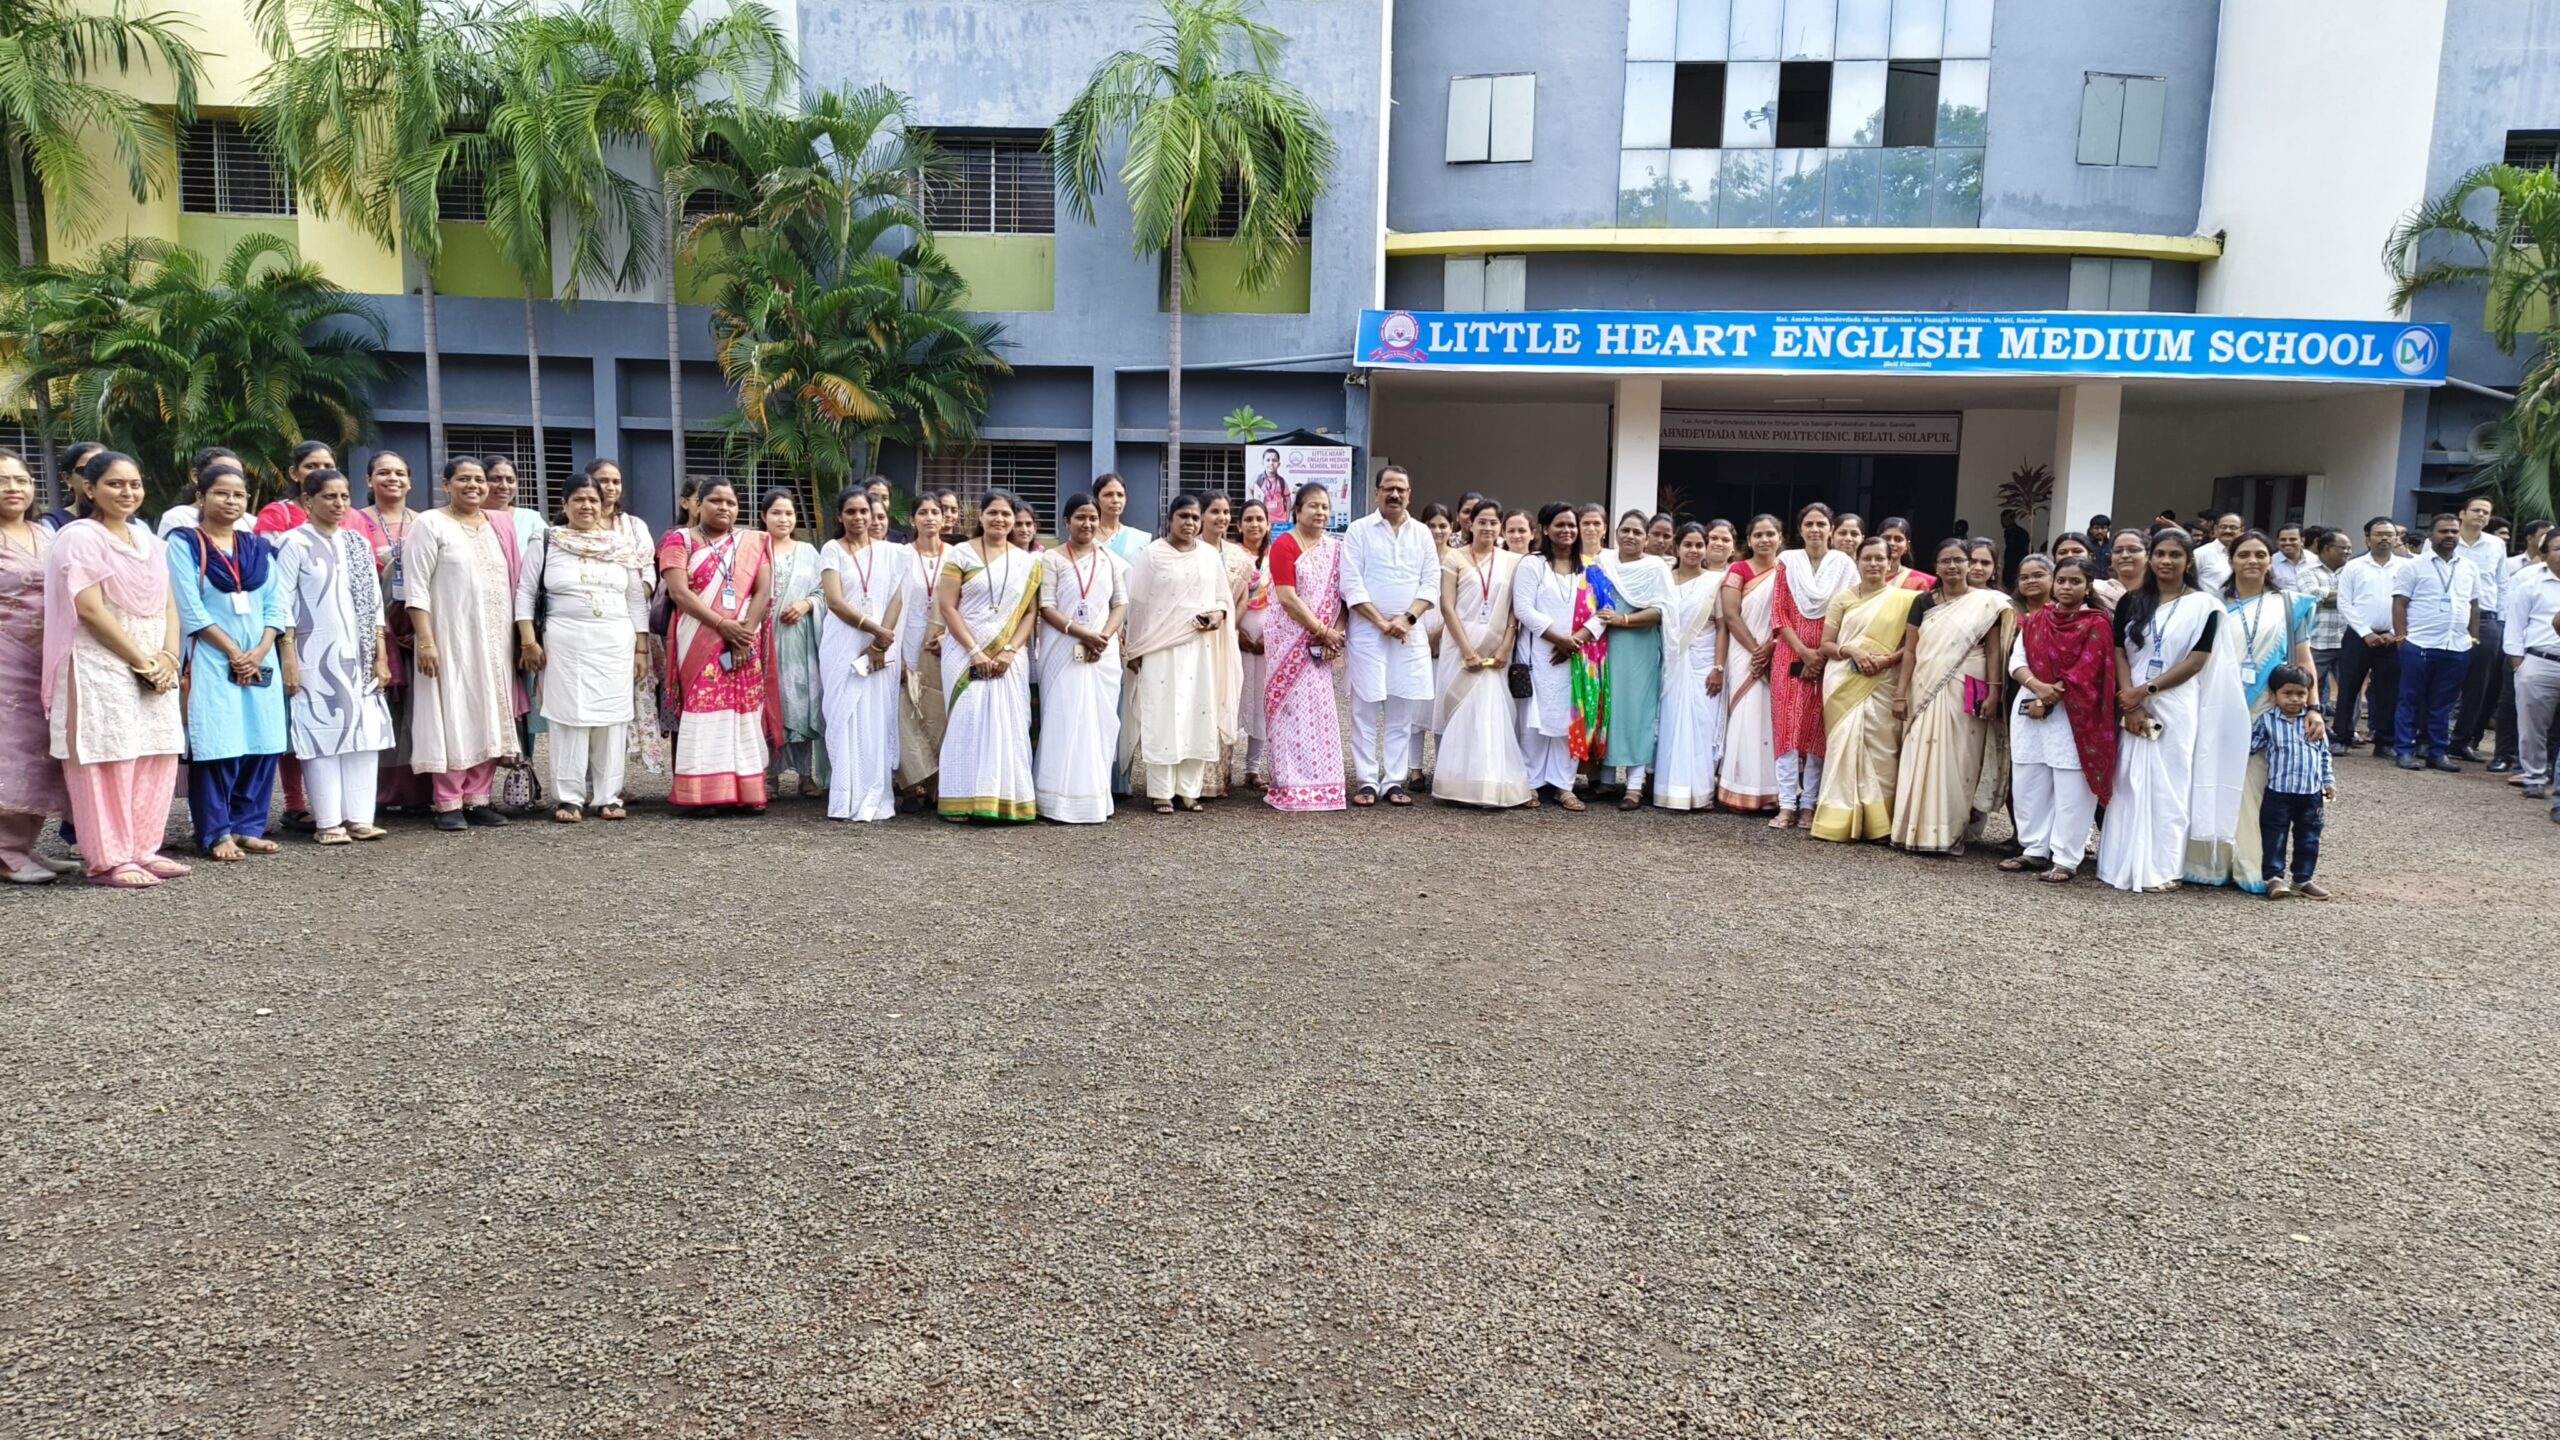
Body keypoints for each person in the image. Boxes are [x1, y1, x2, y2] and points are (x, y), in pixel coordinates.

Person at [42, 450, 188, 886]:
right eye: (115, 484)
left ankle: (144, 849)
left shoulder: (150, 541)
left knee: (154, 751)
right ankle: (109, 859)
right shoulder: (79, 538)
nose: (128, 492)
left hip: (154, 662)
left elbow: (169, 605)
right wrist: (140, 661)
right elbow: (89, 609)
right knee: (107, 756)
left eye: (134, 484)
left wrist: (168, 657)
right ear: (89, 488)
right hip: (99, 663)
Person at [2096, 529, 2249, 893]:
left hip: (2176, 702)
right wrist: (2130, 700)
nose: (2166, 561)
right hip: (2131, 700)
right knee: (2128, 781)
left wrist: (2146, 690)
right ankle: (2119, 863)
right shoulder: (2133, 601)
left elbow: (2196, 660)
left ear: (2188, 561)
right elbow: (2118, 652)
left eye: (2175, 555)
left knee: (2170, 784)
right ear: (2150, 558)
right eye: (2160, 554)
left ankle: (2162, 868)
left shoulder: (2205, 606)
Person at [2184, 531, 2320, 892]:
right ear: (2231, 560)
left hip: (2267, 711)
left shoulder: (2289, 605)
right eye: (2244, 554)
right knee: (2211, 777)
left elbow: (2304, 660)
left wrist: (2314, 707)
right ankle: (2209, 864)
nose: (2252, 561)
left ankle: (2252, 867)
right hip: (2218, 707)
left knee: (2254, 789)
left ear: (2270, 561)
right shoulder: (2211, 605)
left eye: (2261, 554)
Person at [166, 466, 291, 860]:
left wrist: (261, 649)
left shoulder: (257, 548)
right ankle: (216, 832)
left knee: (262, 742)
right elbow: (189, 607)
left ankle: (247, 827)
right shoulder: (184, 543)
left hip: (260, 657)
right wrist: (234, 652)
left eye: (239, 494)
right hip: (210, 656)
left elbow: (275, 604)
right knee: (218, 744)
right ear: (200, 496)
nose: (231, 501)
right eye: (221, 493)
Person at [272, 466, 395, 844]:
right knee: (321, 734)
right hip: (313, 655)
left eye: (344, 496)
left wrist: (380, 657)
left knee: (364, 736)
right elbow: (281, 604)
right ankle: (328, 822)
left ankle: (360, 817)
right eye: (329, 496)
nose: (338, 503)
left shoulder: (357, 543)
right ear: (308, 500)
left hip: (360, 655)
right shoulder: (293, 542)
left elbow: (375, 606)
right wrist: (288, 659)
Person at [514, 475, 647, 823]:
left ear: (604, 505)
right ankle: (570, 798)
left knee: (613, 720)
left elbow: (636, 599)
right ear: (564, 504)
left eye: (593, 500)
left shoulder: (620, 546)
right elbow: (525, 593)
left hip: (615, 644)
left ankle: (608, 796)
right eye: (579, 499)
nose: (587, 506)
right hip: (564, 645)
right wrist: (528, 641)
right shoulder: (546, 541)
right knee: (568, 718)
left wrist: (642, 649)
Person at [406, 457, 525, 831]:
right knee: (452, 711)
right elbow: (415, 588)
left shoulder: (498, 525)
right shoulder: (430, 523)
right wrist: (426, 641)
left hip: (496, 641)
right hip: (449, 637)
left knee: (490, 710)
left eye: (479, 479)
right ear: (446, 485)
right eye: (463, 479)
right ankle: (448, 802)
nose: (474, 485)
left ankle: (478, 799)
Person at [658, 480, 778, 812]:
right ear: (698, 505)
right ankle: (702, 794)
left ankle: (745, 792)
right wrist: (722, 626)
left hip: (744, 638)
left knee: (743, 711)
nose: (724, 507)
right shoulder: (679, 540)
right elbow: (679, 592)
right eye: (715, 500)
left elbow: (763, 591)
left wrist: (744, 635)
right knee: (704, 710)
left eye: (731, 502)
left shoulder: (752, 542)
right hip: (699, 636)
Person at [1888, 539, 2011, 855]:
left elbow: (1994, 650)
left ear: (1970, 564)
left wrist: (1994, 691)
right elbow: (1911, 651)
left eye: (1959, 560)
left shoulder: (1987, 603)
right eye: (1945, 561)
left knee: (1961, 759)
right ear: (1936, 567)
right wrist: (1900, 694)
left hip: (1969, 686)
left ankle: (1949, 832)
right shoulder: (1923, 602)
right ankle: (1914, 830)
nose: (1953, 566)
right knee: (1919, 752)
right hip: (1924, 685)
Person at [2003, 555, 2115, 882]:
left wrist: (2050, 695)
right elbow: (2017, 662)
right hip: (2031, 707)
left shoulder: (2096, 623)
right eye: (2062, 581)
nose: (2067, 587)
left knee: (2071, 788)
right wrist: (2038, 688)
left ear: (2088, 587)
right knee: (2029, 780)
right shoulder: (2038, 619)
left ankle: (2066, 858)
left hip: (2075, 715)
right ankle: (2034, 849)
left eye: (2075, 582)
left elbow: (2088, 668)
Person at [1120, 493, 1231, 813]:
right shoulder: (1152, 555)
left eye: (1195, 517)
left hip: (1199, 647)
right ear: (1169, 520)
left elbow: (1222, 598)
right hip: (1159, 649)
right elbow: (1137, 605)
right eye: (1183, 516)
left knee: (1197, 714)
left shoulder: (1209, 555)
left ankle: (1189, 791)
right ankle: (1161, 792)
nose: (1190, 523)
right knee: (1162, 716)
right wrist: (1136, 649)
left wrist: (1218, 615)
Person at [1337, 464, 1439, 807]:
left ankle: (1394, 781)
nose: (1395, 494)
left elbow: (1431, 583)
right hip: (1368, 633)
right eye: (1388, 488)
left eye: (1401, 489)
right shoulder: (1358, 530)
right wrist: (1382, 623)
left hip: (1409, 635)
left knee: (1401, 710)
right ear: (1377, 492)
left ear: (1409, 494)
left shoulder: (1422, 533)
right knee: (1364, 710)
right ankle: (1367, 780)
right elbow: (1351, 583)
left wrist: (1407, 619)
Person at [935, 490, 1040, 822]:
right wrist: (974, 651)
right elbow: (948, 607)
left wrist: (1009, 650)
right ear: (980, 517)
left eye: (1006, 514)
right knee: (967, 721)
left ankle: (1006, 801)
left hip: (1010, 656)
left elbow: (1030, 613)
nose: (999, 519)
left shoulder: (1027, 562)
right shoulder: (961, 554)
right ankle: (960, 801)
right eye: (993, 512)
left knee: (1010, 724)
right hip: (964, 652)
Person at [1807, 535, 1919, 842]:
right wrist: (1853, 651)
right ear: (1857, 562)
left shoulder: (1906, 599)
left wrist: (1887, 660)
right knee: (1843, 746)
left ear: (1890, 561)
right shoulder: (1842, 599)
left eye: (1879, 558)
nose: (1873, 563)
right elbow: (1827, 645)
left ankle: (1879, 825)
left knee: (1882, 751)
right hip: (1844, 680)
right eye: (1867, 558)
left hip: (1884, 680)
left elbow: (1912, 643)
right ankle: (1838, 821)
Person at [0, 449, 76, 882]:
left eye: (21, 480)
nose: (13, 488)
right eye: (2, 480)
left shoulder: (46, 533)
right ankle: (5, 853)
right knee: (8, 754)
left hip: (46, 659)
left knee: (42, 752)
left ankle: (24, 845)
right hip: (5, 661)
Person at [815, 486, 910, 823]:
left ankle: (874, 794)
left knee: (874, 717)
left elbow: (898, 598)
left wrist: (881, 642)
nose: (858, 517)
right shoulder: (832, 550)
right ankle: (845, 796)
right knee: (843, 715)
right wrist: (874, 629)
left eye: (864, 512)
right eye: (851, 512)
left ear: (873, 516)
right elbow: (834, 601)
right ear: (840, 517)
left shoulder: (892, 553)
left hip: (880, 646)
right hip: (843, 642)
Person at [1033, 493, 1126, 823]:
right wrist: (1082, 633)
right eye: (1080, 517)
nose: (1087, 523)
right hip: (1062, 649)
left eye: (1092, 518)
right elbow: (1046, 606)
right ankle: (1054, 801)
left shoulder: (1110, 560)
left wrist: (1103, 637)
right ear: (1066, 521)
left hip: (1102, 652)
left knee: (1098, 724)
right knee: (1062, 720)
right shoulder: (1051, 559)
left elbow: (1120, 604)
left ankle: (1094, 800)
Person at [1430, 501, 1529, 808]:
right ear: (1470, 524)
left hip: (1497, 647)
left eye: (1493, 523)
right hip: (1459, 646)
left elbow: (1515, 609)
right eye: (1482, 522)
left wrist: (1506, 645)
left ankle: (1490, 784)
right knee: (1462, 713)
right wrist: (1467, 650)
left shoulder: (1513, 561)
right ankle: (1457, 784)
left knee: (1490, 715)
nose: (1487, 527)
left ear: (1501, 527)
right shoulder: (1455, 558)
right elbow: (1447, 606)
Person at [1260, 483, 1348, 811]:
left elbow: (1343, 599)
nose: (1320, 512)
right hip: (1289, 642)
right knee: (1290, 711)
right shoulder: (1284, 545)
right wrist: (1322, 631)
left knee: (1319, 710)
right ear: (1297, 510)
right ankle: (1289, 785)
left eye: (1325, 507)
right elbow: (1287, 597)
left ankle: (1323, 785)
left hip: (1322, 646)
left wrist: (1336, 635)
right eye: (1313, 505)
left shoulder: (1336, 550)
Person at [1767, 503, 1855, 828]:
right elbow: (1779, 614)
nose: (1815, 529)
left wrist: (1821, 656)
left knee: (1818, 733)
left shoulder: (1844, 565)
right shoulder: (1787, 562)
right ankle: (1786, 805)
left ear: (1831, 529)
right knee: (1787, 730)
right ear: (1800, 529)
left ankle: (1809, 805)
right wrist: (1805, 653)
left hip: (1829, 659)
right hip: (1789, 655)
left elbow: (1851, 613)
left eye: (1821, 524)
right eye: (1809, 524)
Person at [2389, 512, 2481, 772]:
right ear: (2431, 534)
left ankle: (2437, 753)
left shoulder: (2469, 567)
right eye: (2444, 531)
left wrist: (2473, 637)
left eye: (2454, 531)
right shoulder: (2413, 566)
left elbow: (2474, 605)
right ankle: (2404, 751)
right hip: (2420, 643)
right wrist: (2402, 638)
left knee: (2443, 704)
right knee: (2409, 700)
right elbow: (2399, 604)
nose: (2450, 536)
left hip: (2457, 646)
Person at [1515, 503, 1591, 811]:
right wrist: (1558, 639)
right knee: (1533, 720)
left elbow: (1602, 611)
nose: (1567, 530)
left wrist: (1574, 641)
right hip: (1538, 653)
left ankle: (1563, 785)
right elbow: (1523, 608)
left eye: (1572, 525)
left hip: (1574, 654)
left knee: (1567, 718)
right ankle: (1530, 783)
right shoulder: (1533, 564)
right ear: (1545, 529)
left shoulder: (1589, 568)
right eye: (1560, 525)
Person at [1651, 523, 1727, 813]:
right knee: (1670, 724)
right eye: (1688, 545)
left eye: (1699, 545)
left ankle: (1701, 792)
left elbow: (1722, 627)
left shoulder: (1715, 581)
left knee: (1701, 727)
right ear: (1677, 547)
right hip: (1670, 661)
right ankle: (1668, 790)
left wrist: (1718, 667)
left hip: (1703, 661)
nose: (1694, 550)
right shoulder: (1663, 579)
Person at [1597, 510, 1670, 807]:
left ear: (1646, 537)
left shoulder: (1655, 568)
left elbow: (1662, 611)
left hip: (1639, 646)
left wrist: (1624, 620)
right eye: (1625, 530)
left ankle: (1634, 786)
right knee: (1608, 707)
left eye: (1637, 532)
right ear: (1615, 532)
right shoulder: (1603, 562)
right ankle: (1605, 781)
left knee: (1637, 711)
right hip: (1604, 645)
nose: (1630, 536)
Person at [756, 491, 825, 799]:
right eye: (776, 513)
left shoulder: (809, 552)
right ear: (763, 516)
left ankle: (806, 774)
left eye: (788, 513)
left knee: (801, 702)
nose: (783, 519)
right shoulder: (755, 549)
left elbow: (825, 590)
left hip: (799, 640)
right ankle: (768, 775)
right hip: (763, 638)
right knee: (767, 703)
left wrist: (806, 604)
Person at [2251, 662, 2336, 900]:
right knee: (2274, 836)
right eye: (2287, 693)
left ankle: (2303, 879)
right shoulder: (2268, 721)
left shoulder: (2313, 723)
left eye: (2301, 693)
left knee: (2309, 838)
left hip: (2310, 793)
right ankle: (2273, 878)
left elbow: (2323, 754)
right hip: (2278, 792)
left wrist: (2328, 781)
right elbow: (2251, 746)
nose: (2294, 699)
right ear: (2273, 695)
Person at [1716, 514, 1783, 812]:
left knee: (1771, 719)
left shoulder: (1787, 571)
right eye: (1758, 535)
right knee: (1746, 716)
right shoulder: (1738, 569)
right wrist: (1758, 652)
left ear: (1780, 538)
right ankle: (1739, 789)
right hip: (1745, 652)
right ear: (1750, 540)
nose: (1765, 539)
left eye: (1770, 534)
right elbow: (1731, 616)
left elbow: (1790, 615)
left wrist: (1771, 648)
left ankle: (1771, 791)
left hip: (1777, 649)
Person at [2330, 516, 2407, 757]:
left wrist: (2394, 632)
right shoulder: (2354, 566)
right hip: (2358, 636)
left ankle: (2385, 741)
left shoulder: (2406, 567)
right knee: (2348, 688)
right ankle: (2341, 737)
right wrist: (2366, 632)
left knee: (2389, 690)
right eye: (2378, 534)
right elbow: (2344, 602)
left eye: (2389, 534)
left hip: (2393, 638)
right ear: (2367, 538)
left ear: (2396, 538)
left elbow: (2411, 603)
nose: (2384, 538)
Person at [895, 492, 951, 805]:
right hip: (908, 638)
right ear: (912, 519)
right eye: (923, 512)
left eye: (935, 512)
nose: (930, 518)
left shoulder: (956, 556)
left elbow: (965, 604)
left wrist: (948, 637)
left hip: (942, 643)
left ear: (944, 518)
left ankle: (937, 785)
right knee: (906, 710)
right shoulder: (901, 556)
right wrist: (895, 653)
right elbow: (892, 602)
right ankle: (910, 784)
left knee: (938, 709)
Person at [2450, 495, 2511, 767]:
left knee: (2479, 685)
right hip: (2449, 618)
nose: (2481, 515)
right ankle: (2430, 738)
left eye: (2486, 512)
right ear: (2462, 513)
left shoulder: (2496, 545)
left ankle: (2464, 740)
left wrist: (2500, 620)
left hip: (2486, 619)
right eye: (2476, 510)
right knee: (2443, 679)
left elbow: (2502, 584)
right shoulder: (2445, 539)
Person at [1198, 492, 1251, 797]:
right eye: (1215, 511)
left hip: (1225, 639)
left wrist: (1226, 624)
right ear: (1201, 515)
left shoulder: (1239, 558)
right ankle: (1191, 780)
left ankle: (1217, 780)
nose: (1222, 518)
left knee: (1222, 701)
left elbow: (1241, 600)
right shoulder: (1189, 551)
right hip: (1191, 638)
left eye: (1226, 512)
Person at [2504, 528, 2560, 805]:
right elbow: (2514, 625)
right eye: (2558, 548)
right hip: (2540, 661)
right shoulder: (2530, 584)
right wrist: (2519, 664)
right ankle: (2534, 776)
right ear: (2545, 553)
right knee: (2533, 726)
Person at [1233, 499, 1274, 786]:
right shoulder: (1230, 556)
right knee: (1233, 697)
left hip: (1269, 638)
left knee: (1262, 700)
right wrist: (1236, 632)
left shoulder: (1278, 557)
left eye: (1260, 519)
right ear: (1239, 525)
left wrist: (1270, 638)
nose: (1254, 524)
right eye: (1248, 519)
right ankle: (1222, 769)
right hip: (1235, 634)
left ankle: (1252, 769)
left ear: (1268, 524)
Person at [2297, 527, 2346, 724]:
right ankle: (2310, 726)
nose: (2348, 552)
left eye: (2349, 548)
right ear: (2326, 548)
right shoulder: (2307, 571)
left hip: (2346, 639)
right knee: (2310, 685)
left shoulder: (2352, 571)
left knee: (2350, 689)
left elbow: (2362, 597)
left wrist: (2330, 597)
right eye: (2343, 548)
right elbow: (2313, 597)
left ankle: (2347, 730)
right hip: (2317, 639)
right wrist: (2347, 597)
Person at [156, 447, 244, 538]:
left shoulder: (249, 522)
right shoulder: (178, 518)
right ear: (195, 476)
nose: (232, 479)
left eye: (238, 475)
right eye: (222, 473)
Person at [34, 440, 105, 533]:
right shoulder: (52, 524)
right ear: (67, 478)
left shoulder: (123, 520)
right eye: (86, 470)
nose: (97, 477)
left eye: (103, 470)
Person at [1094, 472, 1150, 566]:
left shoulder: (1138, 539)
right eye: (1108, 495)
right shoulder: (1086, 537)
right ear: (1096, 499)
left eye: (1120, 495)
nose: (1115, 500)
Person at [2193, 509, 2242, 599]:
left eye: (2233, 527)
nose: (2227, 531)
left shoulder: (2246, 554)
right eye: (2223, 527)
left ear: (2241, 530)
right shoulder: (2200, 553)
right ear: (2215, 529)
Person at [2271, 524, 2307, 591]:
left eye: (2292, 539)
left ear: (2302, 541)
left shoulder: (2314, 560)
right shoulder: (2270, 563)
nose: (2287, 543)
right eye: (2283, 540)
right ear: (2277, 542)